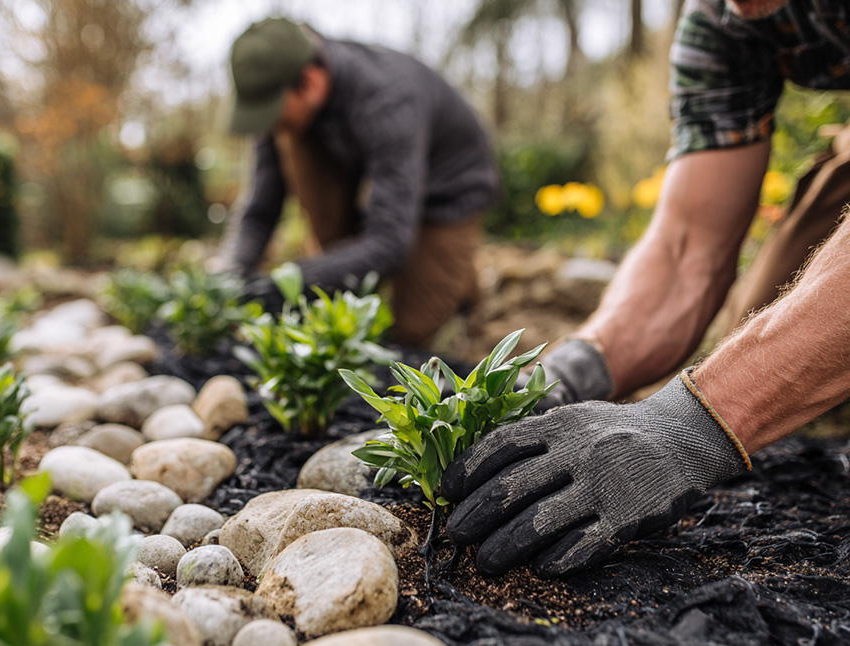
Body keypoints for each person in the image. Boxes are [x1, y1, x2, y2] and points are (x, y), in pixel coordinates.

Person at [443, 0, 850, 577]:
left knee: (776, 368)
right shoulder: (723, 25)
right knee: (768, 318)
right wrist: (573, 371)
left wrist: (691, 426)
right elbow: (686, 253)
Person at [210, 17, 500, 347]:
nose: (269, 124)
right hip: (375, 176)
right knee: (290, 139)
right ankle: (357, 271)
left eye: (272, 112)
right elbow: (260, 209)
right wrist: (230, 275)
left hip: (447, 192)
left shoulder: (388, 99)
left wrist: (292, 282)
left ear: (309, 82)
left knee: (409, 334)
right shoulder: (284, 105)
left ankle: (459, 276)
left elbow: (390, 242)